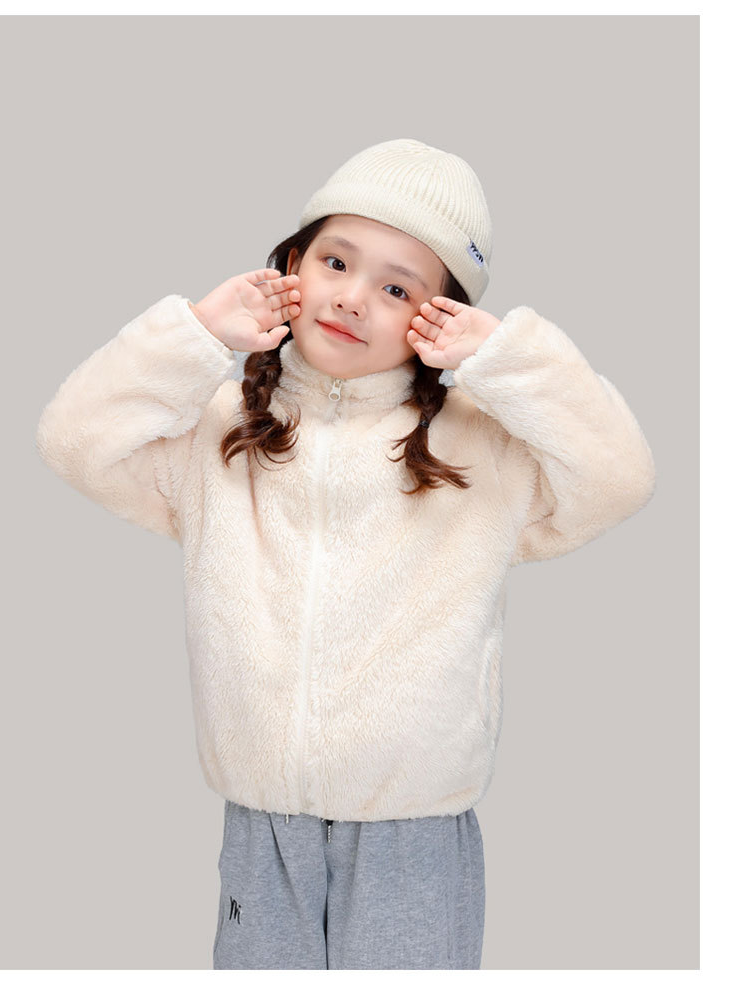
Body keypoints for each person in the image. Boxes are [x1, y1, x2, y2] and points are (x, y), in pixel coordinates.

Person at [34, 138, 657, 970]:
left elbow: (620, 476)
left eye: (398, 288)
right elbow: (73, 439)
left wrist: (507, 359)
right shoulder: (219, 432)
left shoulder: (481, 448)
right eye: (335, 261)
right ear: (292, 265)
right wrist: (194, 333)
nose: (352, 298)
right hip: (263, 825)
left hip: (413, 835)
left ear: (440, 319)